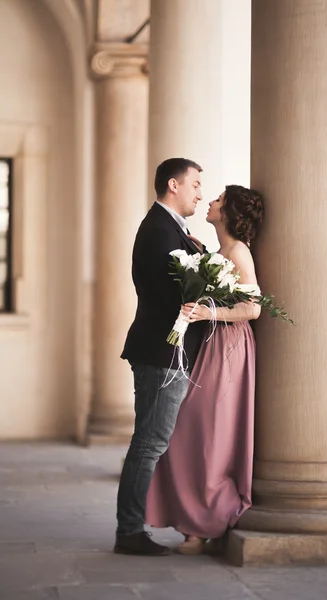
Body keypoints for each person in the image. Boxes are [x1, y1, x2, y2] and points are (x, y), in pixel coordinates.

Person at [145, 184, 264, 555]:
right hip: (211, 346)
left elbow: (253, 308)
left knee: (209, 432)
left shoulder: (239, 251)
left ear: (226, 213)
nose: (209, 202)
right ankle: (191, 524)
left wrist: (208, 312)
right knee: (189, 432)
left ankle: (204, 524)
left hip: (229, 348)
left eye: (217, 200)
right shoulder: (218, 250)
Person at [115, 158, 207, 556]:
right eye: (196, 185)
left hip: (163, 349)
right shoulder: (159, 230)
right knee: (150, 443)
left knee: (150, 441)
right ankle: (130, 531)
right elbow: (176, 293)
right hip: (161, 351)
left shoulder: (169, 228)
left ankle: (133, 526)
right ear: (174, 185)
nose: (200, 193)